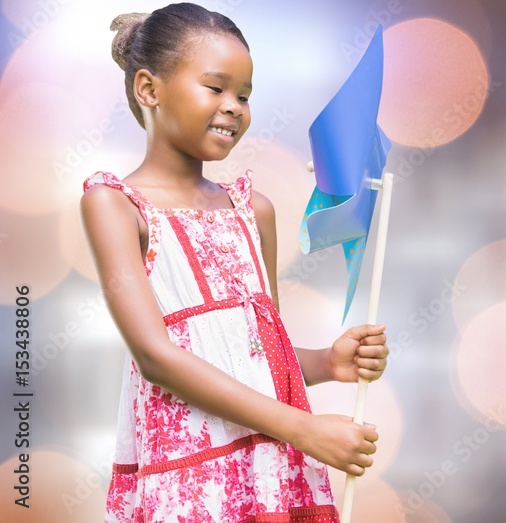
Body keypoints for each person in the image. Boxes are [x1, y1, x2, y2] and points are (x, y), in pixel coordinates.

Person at [79, 3, 388, 522]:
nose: (235, 107)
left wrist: (327, 362)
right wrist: (304, 428)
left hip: (269, 469)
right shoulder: (115, 205)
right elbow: (157, 357)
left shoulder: (254, 211)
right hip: (193, 474)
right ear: (149, 90)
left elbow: (258, 356)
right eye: (216, 87)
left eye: (244, 95)